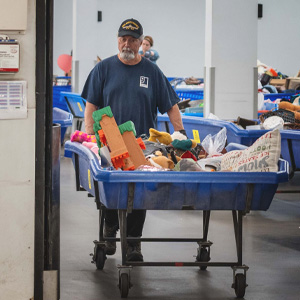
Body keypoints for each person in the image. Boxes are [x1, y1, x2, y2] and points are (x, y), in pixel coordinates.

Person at [82, 18, 185, 262]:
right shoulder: (103, 68)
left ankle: (134, 244)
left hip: (143, 144)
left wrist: (179, 133)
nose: (126, 44)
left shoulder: (151, 70)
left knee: (140, 192)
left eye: (132, 40)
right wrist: (89, 135)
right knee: (110, 189)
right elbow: (91, 105)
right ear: (118, 40)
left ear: (141, 43)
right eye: (123, 39)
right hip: (108, 143)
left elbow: (171, 105)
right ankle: (109, 231)